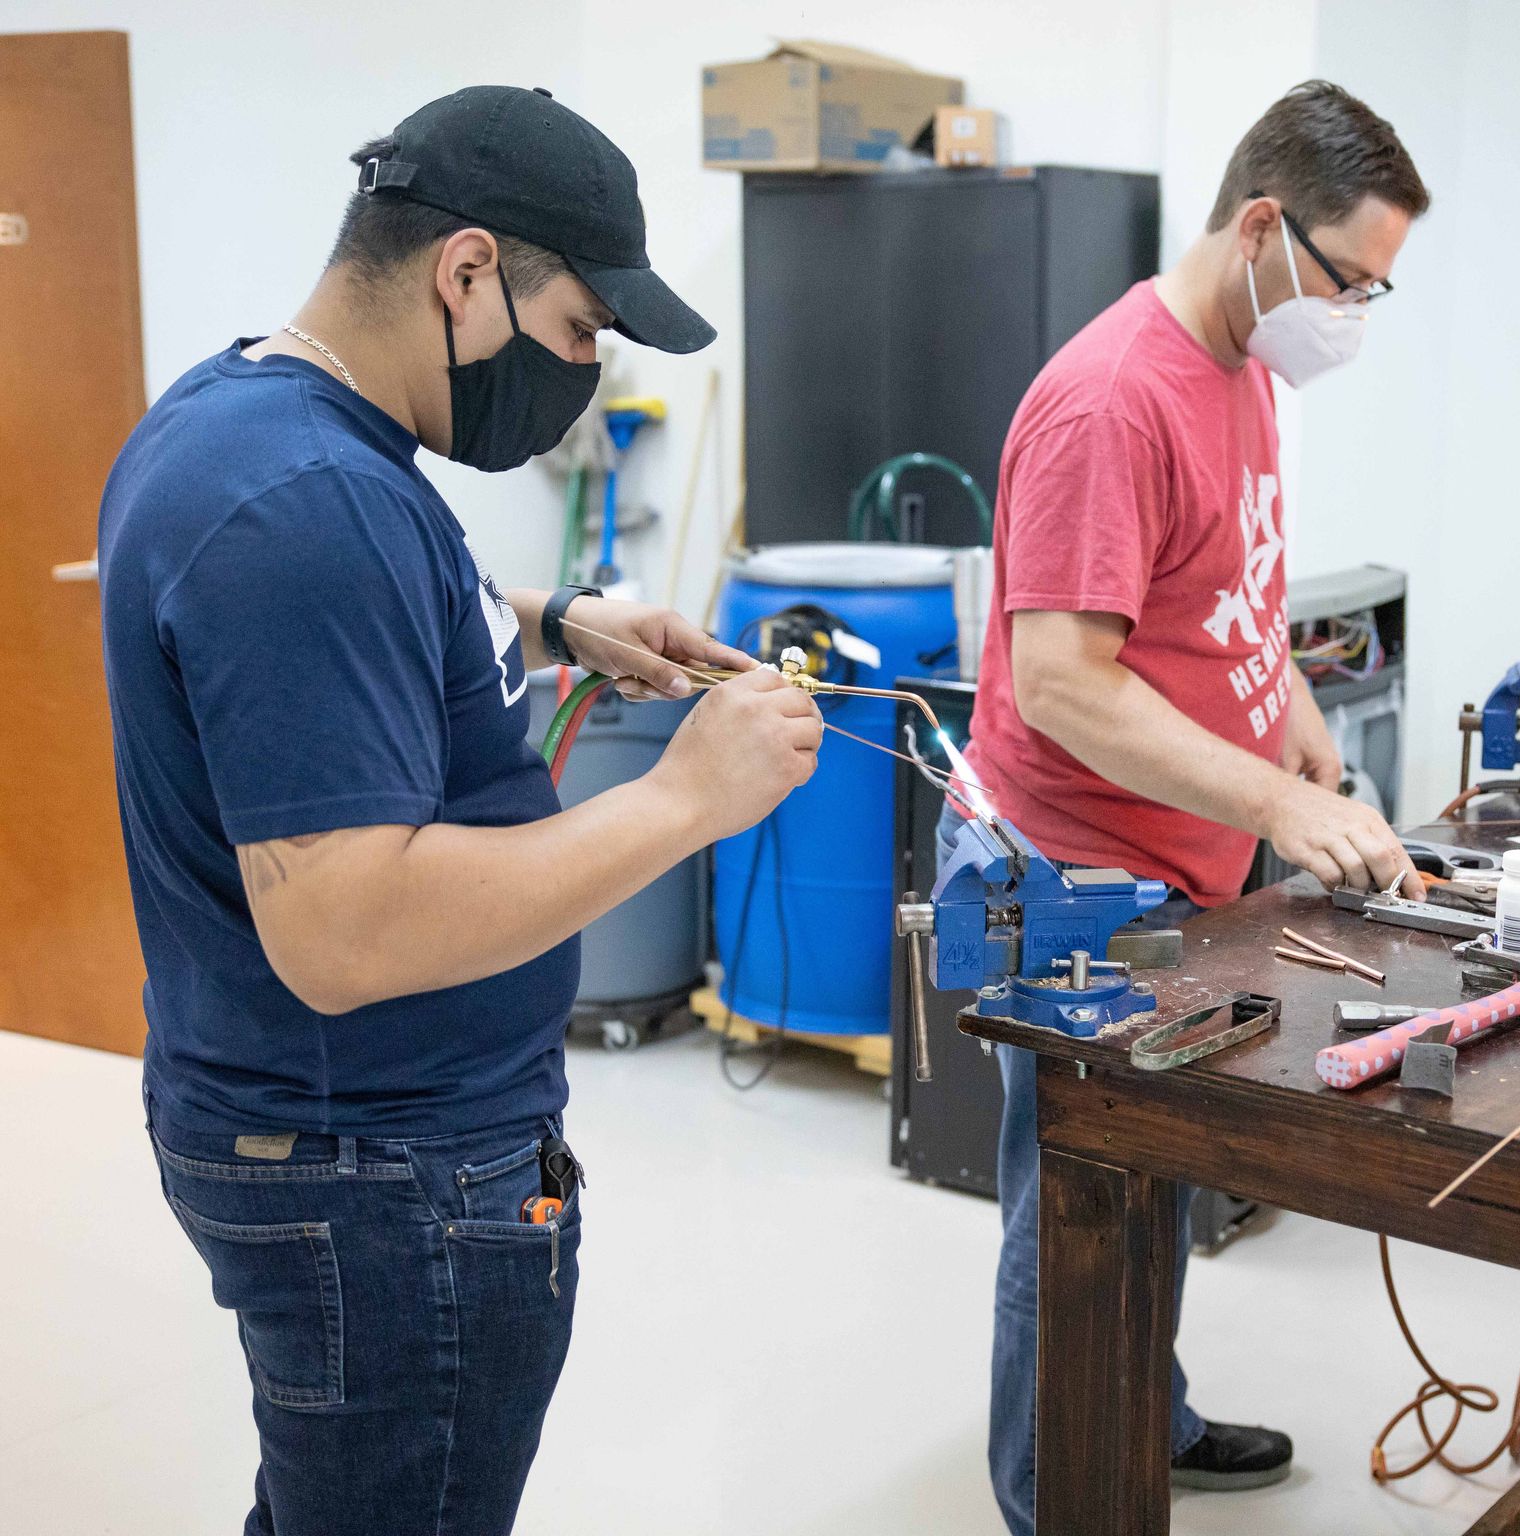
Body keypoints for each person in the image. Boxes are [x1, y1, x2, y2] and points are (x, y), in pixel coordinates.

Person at [98, 86, 821, 1536]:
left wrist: (555, 620)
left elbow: (345, 638)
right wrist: (688, 797)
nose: (579, 376)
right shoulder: (308, 499)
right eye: (577, 335)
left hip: (341, 1143)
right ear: (469, 270)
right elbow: (347, 933)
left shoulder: (249, 417)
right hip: (383, 1178)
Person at [946, 80, 1432, 1531]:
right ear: (1265, 227)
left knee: (1155, 1184)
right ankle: (1060, 1494)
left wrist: (1295, 733)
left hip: (1185, 862)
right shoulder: (1111, 398)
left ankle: (1144, 1412)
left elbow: (1232, 598)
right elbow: (1065, 686)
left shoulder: (1243, 370)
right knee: (1080, 1205)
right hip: (1084, 875)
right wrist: (1276, 813)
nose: (1357, 312)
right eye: (1353, 279)